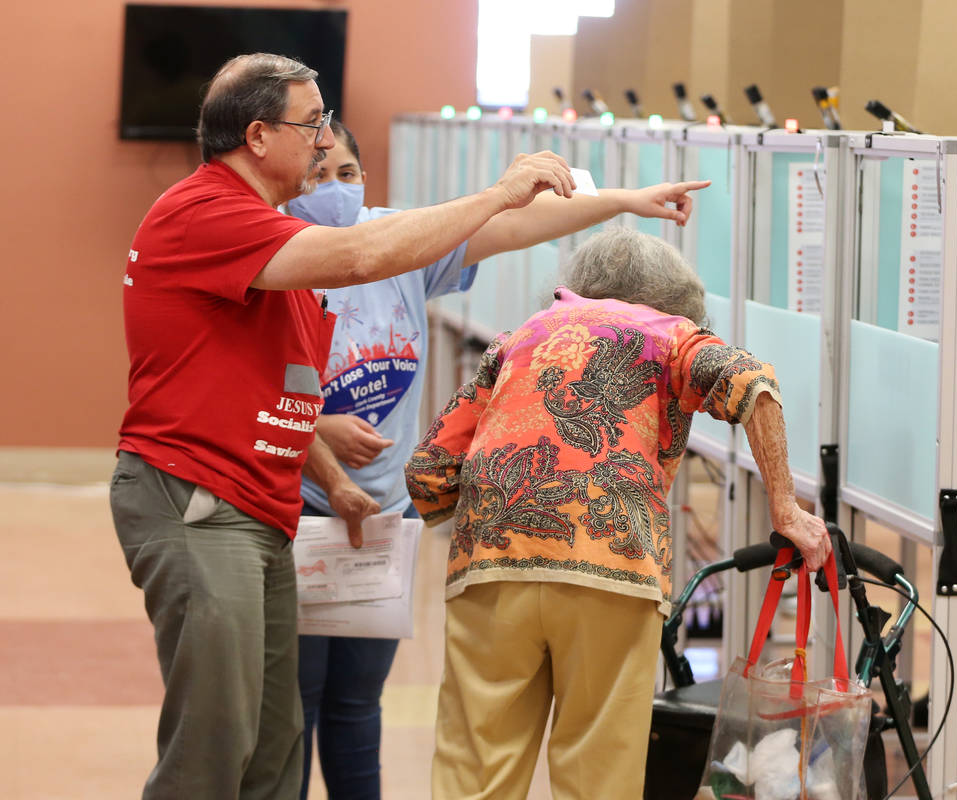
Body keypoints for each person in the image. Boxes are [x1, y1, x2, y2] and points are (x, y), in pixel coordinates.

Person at [109, 51, 586, 800]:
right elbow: (363, 254)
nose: (326, 141)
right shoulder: (209, 213)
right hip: (200, 501)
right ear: (260, 136)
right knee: (215, 740)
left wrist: (328, 469)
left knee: (272, 744)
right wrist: (497, 195)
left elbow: (279, 389)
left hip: (259, 506)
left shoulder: (267, 232)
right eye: (313, 123)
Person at [286, 120, 710, 800]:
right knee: (295, 701)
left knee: (359, 702)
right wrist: (321, 440)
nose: (333, 189)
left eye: (345, 173)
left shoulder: (398, 244)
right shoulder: (281, 254)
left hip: (381, 515)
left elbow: (516, 225)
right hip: (298, 504)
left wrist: (628, 200)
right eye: (315, 176)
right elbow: (255, 389)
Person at [404, 228, 833, 800]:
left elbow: (428, 469)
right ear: (674, 298)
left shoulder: (519, 339)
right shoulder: (672, 335)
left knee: (474, 769)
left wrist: (488, 512)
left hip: (492, 565)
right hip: (613, 568)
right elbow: (754, 384)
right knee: (597, 774)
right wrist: (785, 507)